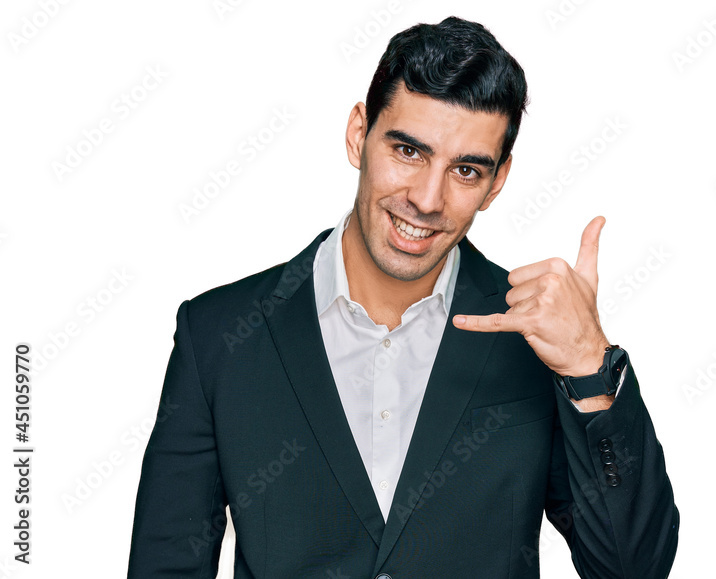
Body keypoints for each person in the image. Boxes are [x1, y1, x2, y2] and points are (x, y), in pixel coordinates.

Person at [127, 16, 678, 578]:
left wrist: (589, 365)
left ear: (497, 182)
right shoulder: (219, 334)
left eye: (465, 170)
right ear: (357, 134)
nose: (428, 199)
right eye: (409, 152)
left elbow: (633, 569)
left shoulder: (532, 336)